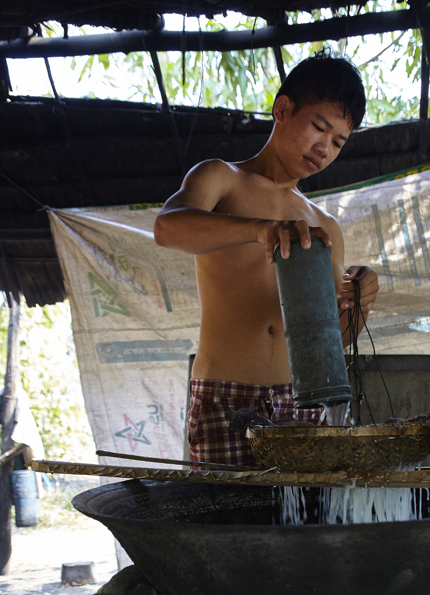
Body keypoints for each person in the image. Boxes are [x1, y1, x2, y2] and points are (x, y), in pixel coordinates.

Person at [154, 50, 380, 468]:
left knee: (304, 529)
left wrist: (361, 301)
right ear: (282, 108)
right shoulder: (222, 178)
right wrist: (258, 229)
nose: (324, 148)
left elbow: (331, 340)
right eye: (319, 127)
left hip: (304, 401)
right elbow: (167, 229)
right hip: (226, 396)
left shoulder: (323, 224)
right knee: (227, 527)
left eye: (337, 142)